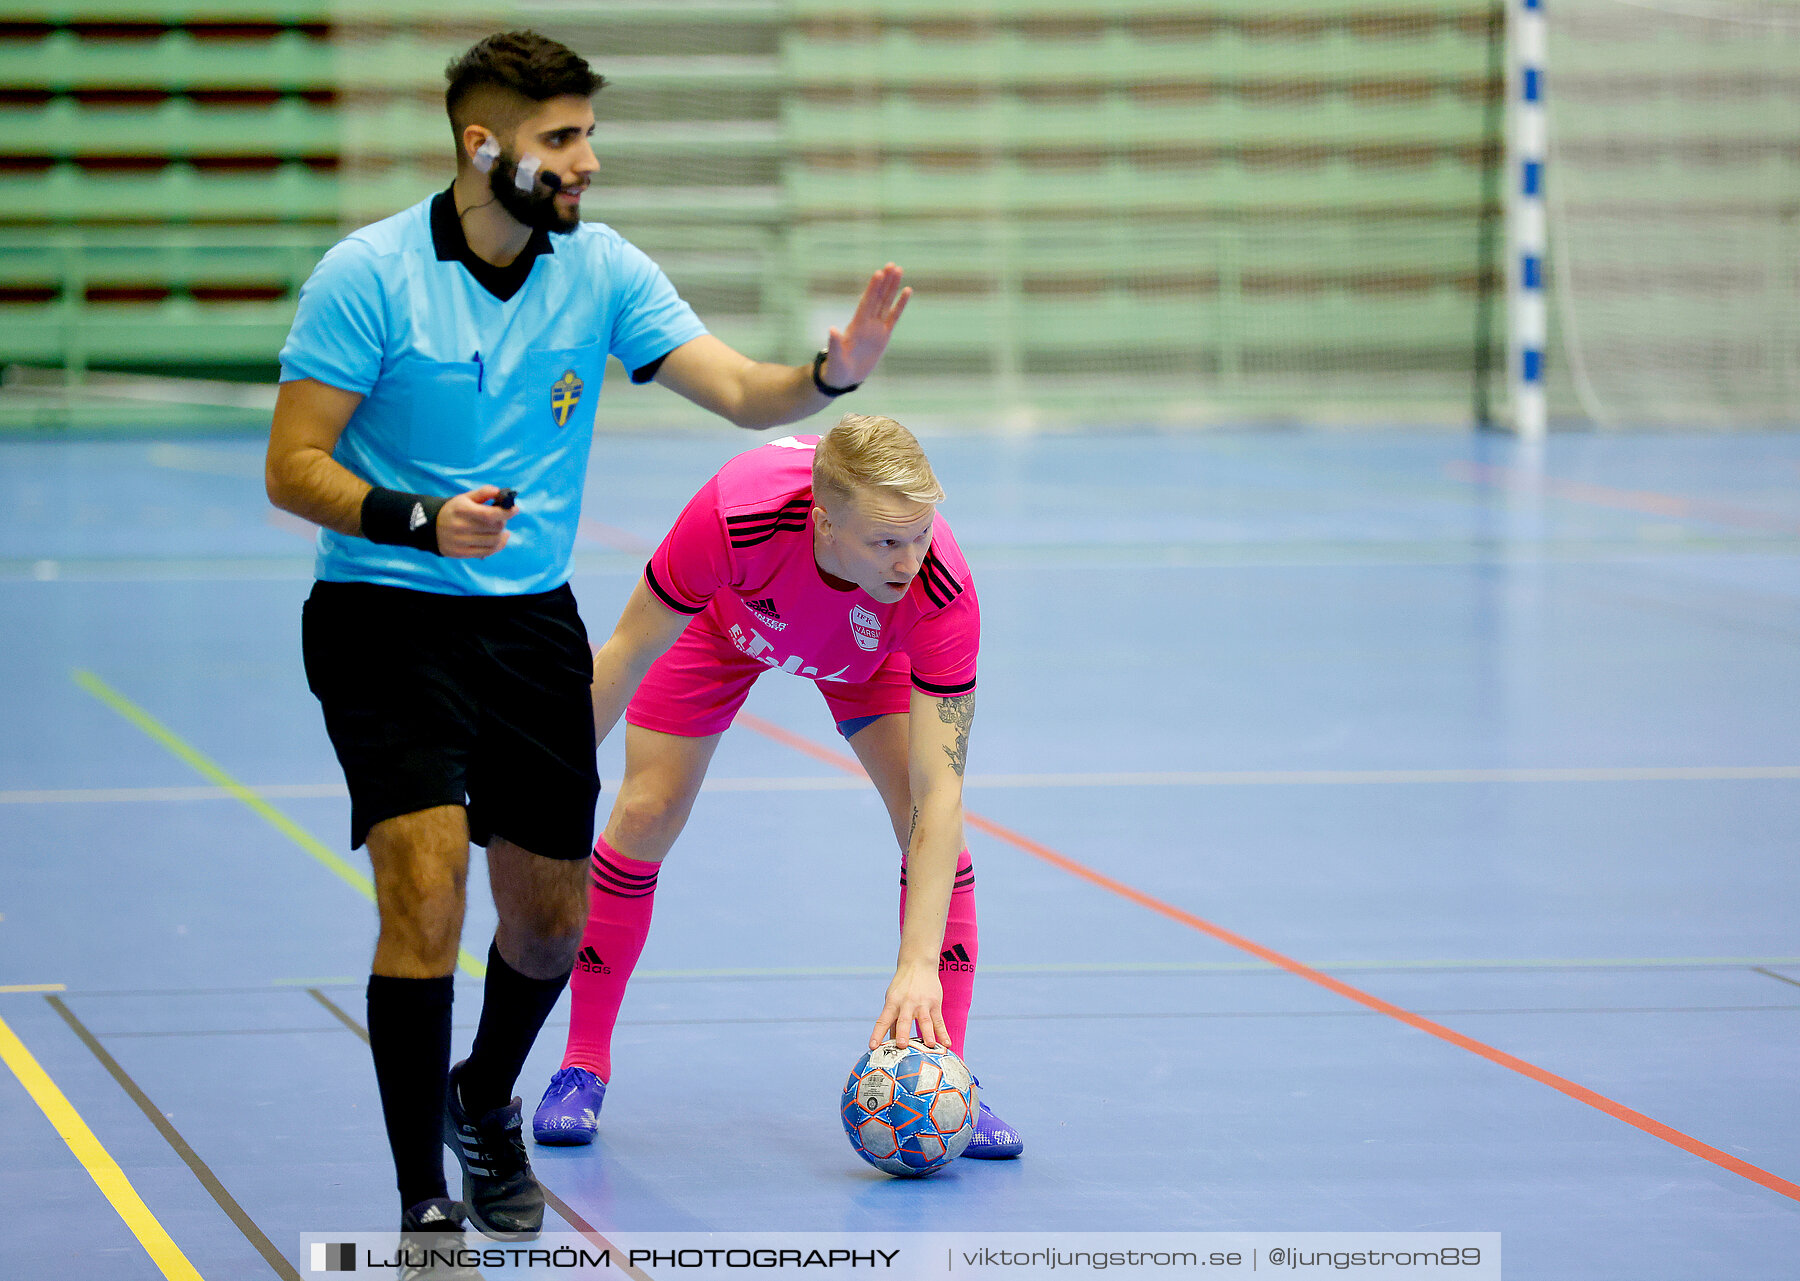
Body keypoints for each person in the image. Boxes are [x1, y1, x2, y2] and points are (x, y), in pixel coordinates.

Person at [263, 29, 911, 1267]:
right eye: (561, 138)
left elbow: (737, 387)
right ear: (483, 145)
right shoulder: (368, 276)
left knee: (551, 921)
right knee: (425, 886)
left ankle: (482, 1096)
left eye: (587, 136)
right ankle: (423, 1206)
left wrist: (831, 373)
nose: (587, 162)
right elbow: (293, 467)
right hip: (384, 612)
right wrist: (416, 519)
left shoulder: (598, 271)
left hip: (529, 624)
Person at [529, 414, 1024, 1161]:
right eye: (886, 541)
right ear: (823, 524)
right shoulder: (737, 514)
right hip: (725, 630)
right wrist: (537, 788)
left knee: (926, 821)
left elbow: (941, 792)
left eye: (920, 533)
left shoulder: (937, 588)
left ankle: (946, 1073)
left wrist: (916, 962)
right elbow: (628, 653)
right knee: (645, 810)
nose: (910, 557)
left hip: (873, 651)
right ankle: (582, 1061)